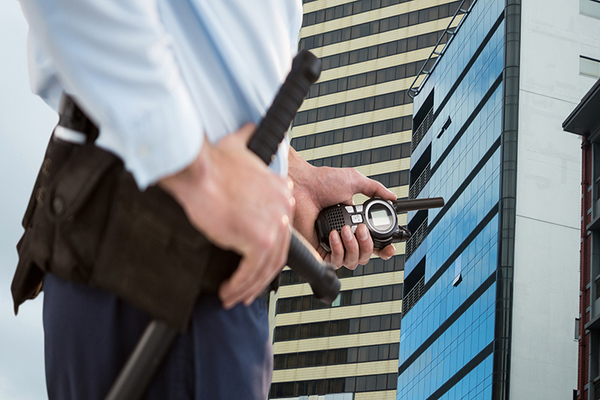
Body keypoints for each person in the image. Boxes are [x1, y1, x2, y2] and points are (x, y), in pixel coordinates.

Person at [15, 0, 397, 399]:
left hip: (211, 267)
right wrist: (197, 173)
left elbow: (222, 54)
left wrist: (289, 176)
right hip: (156, 243)